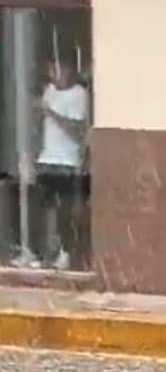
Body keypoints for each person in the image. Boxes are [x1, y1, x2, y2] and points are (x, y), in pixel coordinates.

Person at [35, 56, 90, 271]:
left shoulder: (78, 94)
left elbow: (77, 131)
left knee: (65, 212)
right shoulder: (49, 91)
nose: (55, 73)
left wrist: (50, 112)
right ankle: (44, 253)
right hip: (46, 159)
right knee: (44, 211)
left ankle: (66, 254)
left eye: (59, 68)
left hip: (66, 162)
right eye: (52, 68)